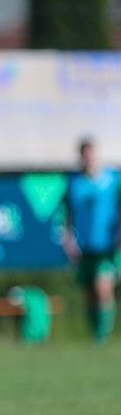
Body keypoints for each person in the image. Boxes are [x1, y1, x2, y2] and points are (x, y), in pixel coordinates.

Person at [62, 137, 120, 343]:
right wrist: (68, 238)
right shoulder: (74, 183)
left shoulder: (113, 180)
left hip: (107, 245)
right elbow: (67, 213)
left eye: (91, 154)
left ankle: (102, 336)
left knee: (103, 289)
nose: (89, 158)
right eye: (84, 155)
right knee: (89, 293)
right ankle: (95, 333)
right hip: (84, 246)